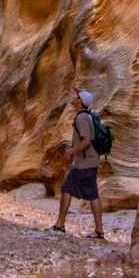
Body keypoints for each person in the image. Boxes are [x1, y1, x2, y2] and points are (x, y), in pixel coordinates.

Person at [51, 88, 105, 239]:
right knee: (91, 194)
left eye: (77, 98)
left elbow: (86, 141)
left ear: (81, 102)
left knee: (68, 188)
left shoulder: (81, 118)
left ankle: (60, 225)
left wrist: (71, 152)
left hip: (84, 162)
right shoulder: (87, 116)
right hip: (89, 161)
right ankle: (99, 231)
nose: (74, 99)